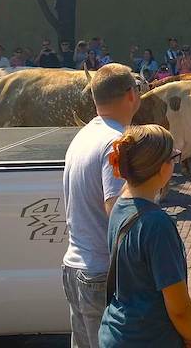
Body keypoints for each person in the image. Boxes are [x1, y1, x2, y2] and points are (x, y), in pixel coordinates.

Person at [99, 125, 191, 348]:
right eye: (174, 157)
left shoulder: (119, 206)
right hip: (149, 338)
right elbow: (177, 308)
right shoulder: (157, 224)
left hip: (117, 333)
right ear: (162, 167)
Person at [62, 64, 141, 348]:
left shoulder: (82, 136)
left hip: (75, 268)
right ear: (131, 94)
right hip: (101, 275)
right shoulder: (116, 142)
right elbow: (117, 213)